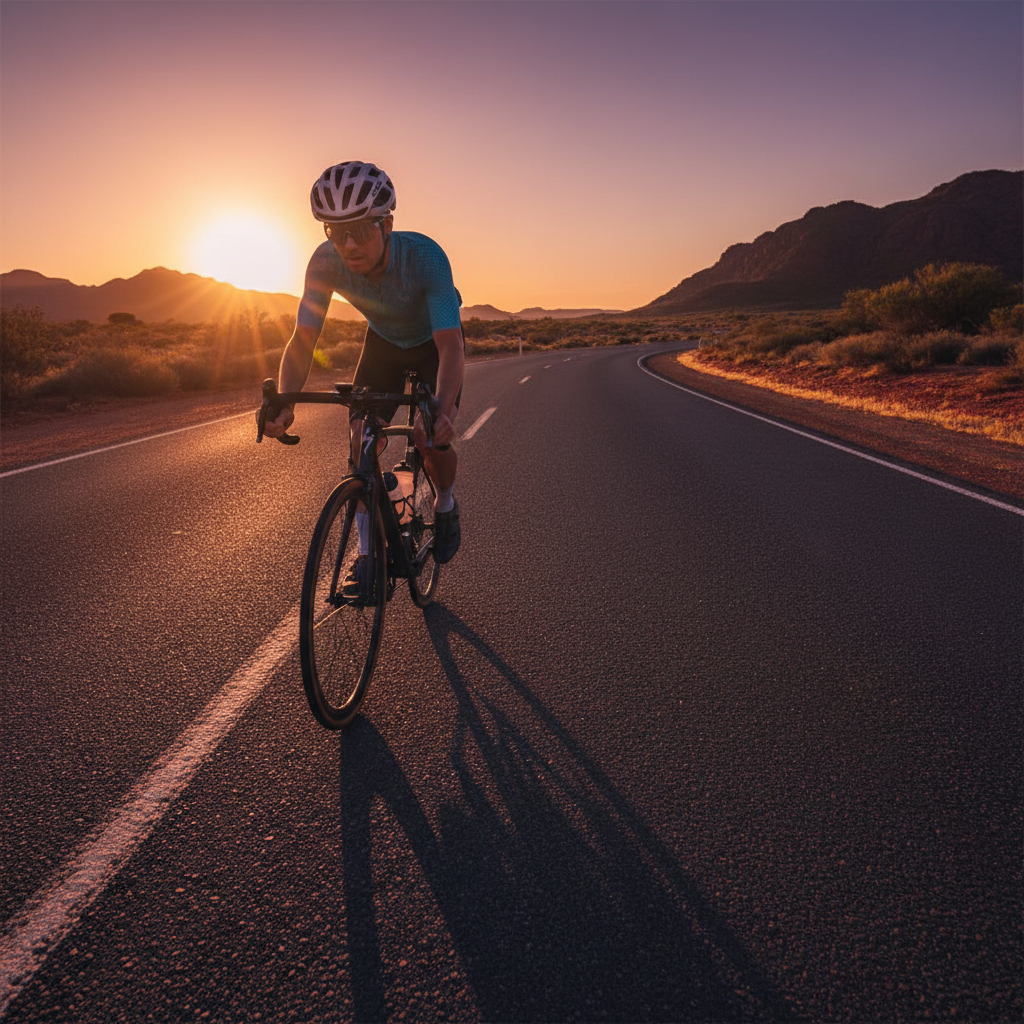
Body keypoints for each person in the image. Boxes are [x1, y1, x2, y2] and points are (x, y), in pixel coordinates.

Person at [263, 161, 464, 569]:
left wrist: (445, 408)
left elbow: (450, 345)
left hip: (432, 346)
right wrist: (285, 400)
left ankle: (445, 502)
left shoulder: (426, 257)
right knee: (360, 441)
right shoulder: (324, 263)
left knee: (428, 435)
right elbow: (303, 339)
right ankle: (367, 555)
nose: (348, 244)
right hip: (384, 344)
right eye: (336, 232)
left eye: (359, 230)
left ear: (386, 225)